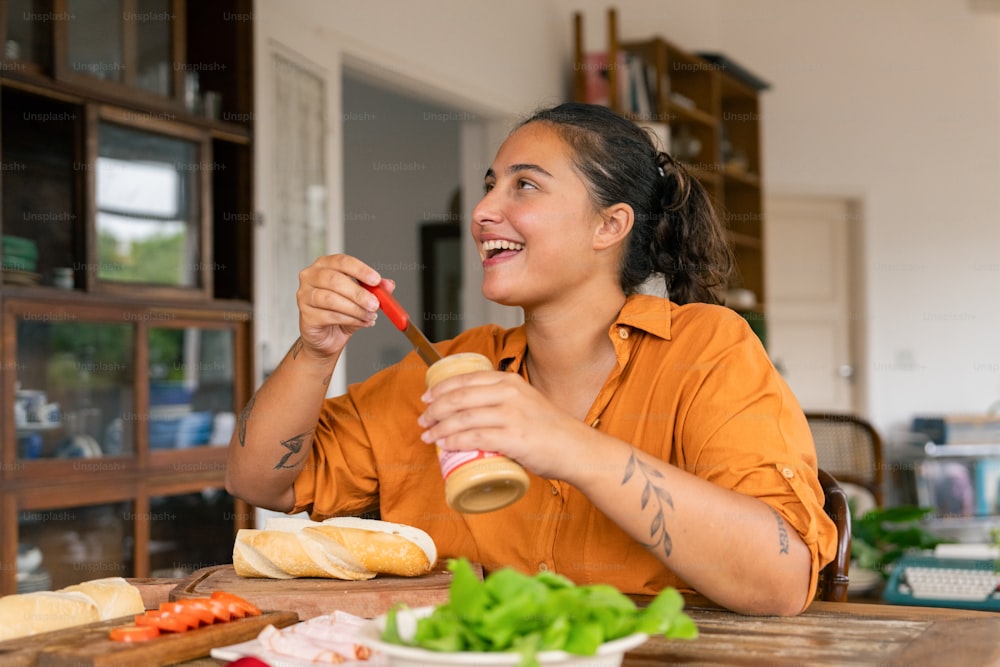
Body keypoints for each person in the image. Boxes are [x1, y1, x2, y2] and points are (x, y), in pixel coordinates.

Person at [225, 102, 837, 616]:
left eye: (525, 185)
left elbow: (779, 582)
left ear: (609, 225)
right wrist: (316, 350)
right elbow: (259, 483)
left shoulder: (706, 348)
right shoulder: (443, 370)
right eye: (491, 184)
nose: (483, 210)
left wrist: (567, 445)